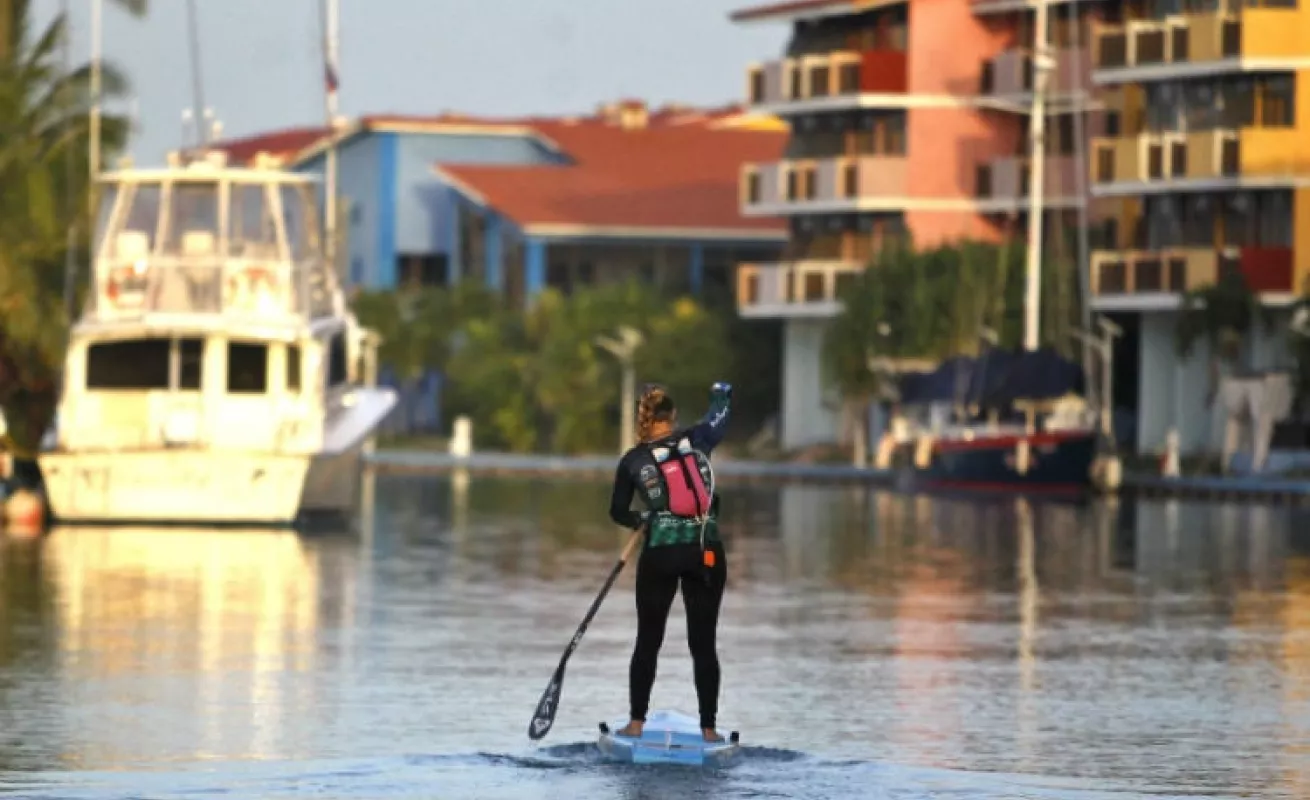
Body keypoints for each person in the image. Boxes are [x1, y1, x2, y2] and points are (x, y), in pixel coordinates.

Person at [608, 381, 732, 743]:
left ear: (642, 419)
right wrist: (721, 392)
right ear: (673, 417)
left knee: (648, 639)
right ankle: (709, 730)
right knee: (704, 644)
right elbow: (719, 417)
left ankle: (635, 724)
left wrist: (640, 521)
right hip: (705, 550)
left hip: (661, 552)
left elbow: (617, 511)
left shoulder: (632, 460)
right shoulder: (697, 440)